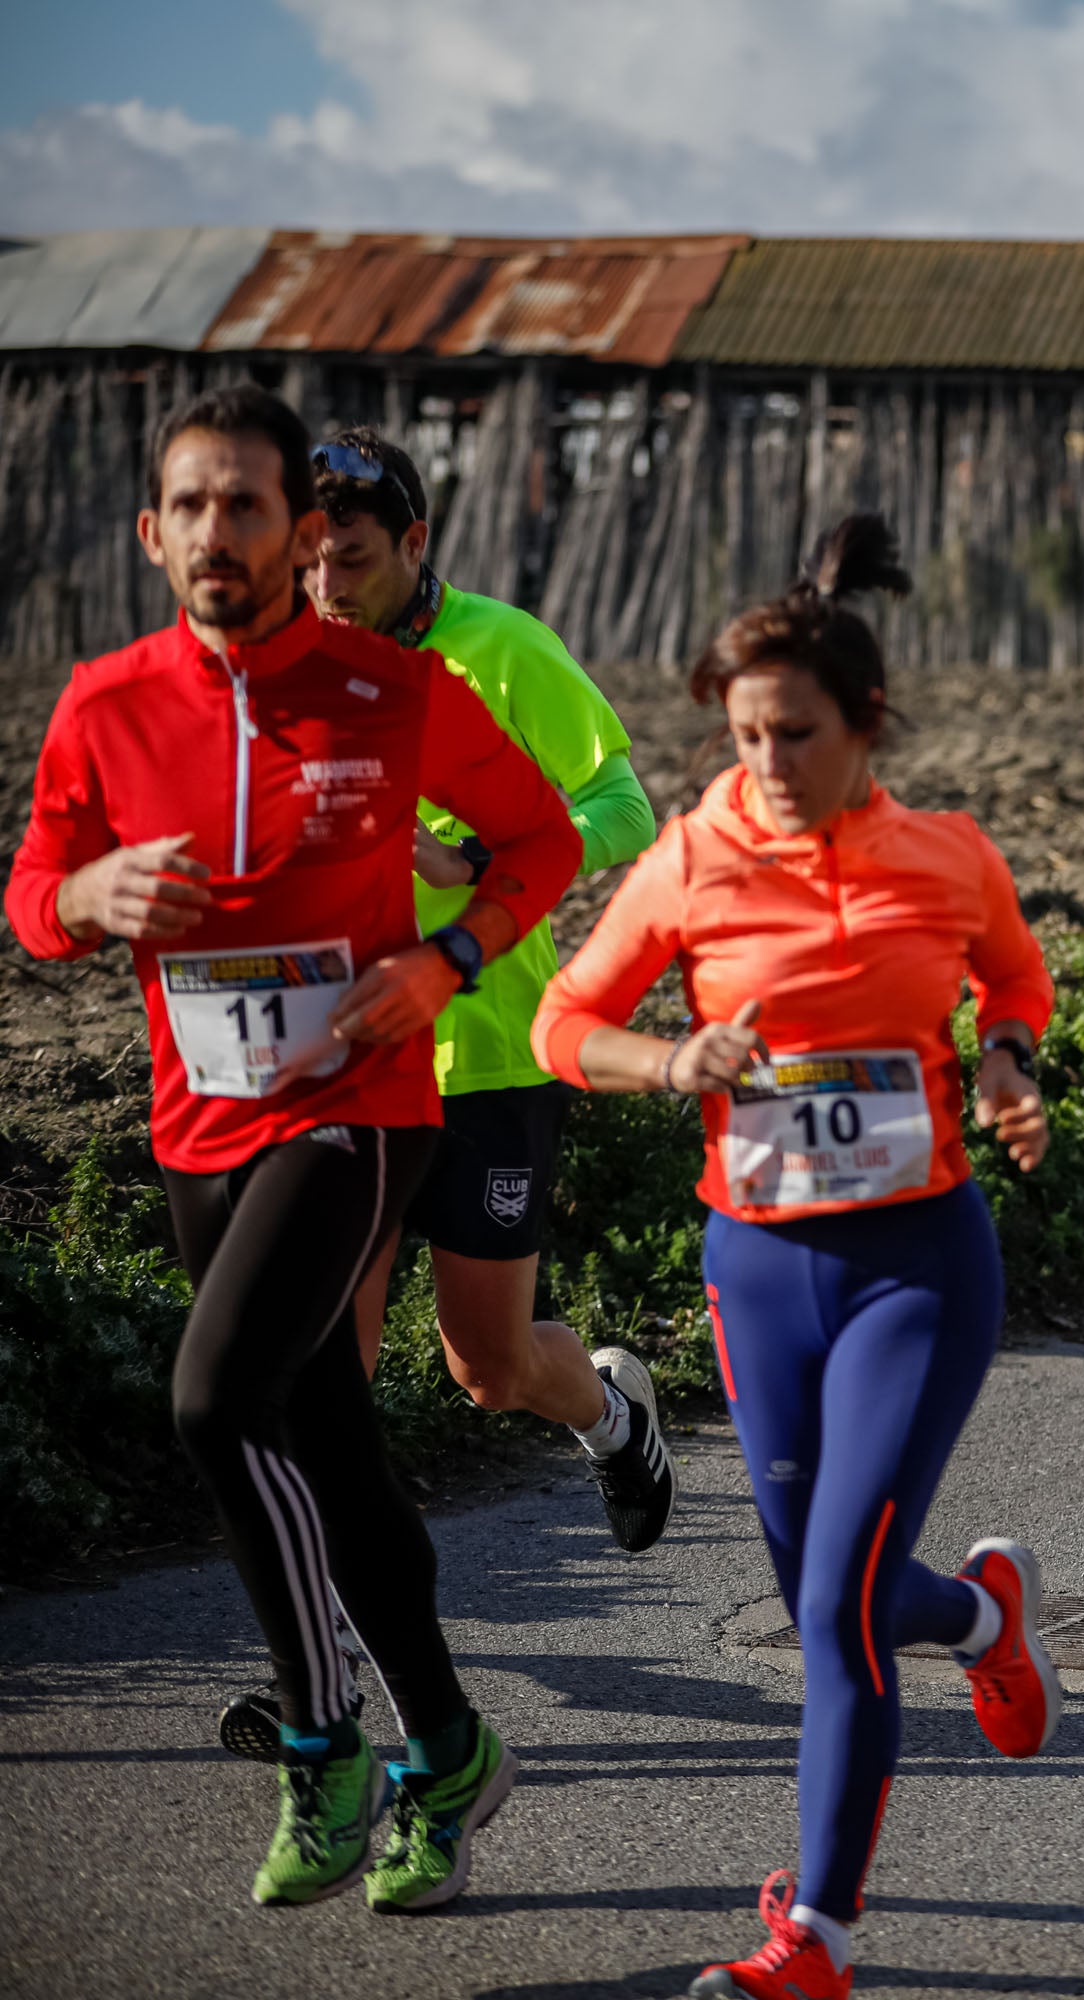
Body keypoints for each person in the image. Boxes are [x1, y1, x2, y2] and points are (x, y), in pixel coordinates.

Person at [6, 386, 583, 1908]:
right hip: (205, 1121)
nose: (218, 531)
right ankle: (450, 1746)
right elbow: (32, 891)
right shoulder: (106, 703)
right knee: (331, 1447)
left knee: (212, 1395)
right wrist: (89, 900)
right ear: (152, 531)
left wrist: (444, 966)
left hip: (362, 1107)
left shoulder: (388, 693)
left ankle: (324, 1741)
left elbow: (545, 842)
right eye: (189, 505)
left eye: (246, 505)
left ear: (302, 530)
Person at [533, 517, 1064, 2000]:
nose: (765, 763)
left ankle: (814, 1937)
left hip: (917, 1263)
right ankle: (981, 1616)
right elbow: (560, 1024)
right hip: (760, 1271)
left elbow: (1011, 977)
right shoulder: (690, 861)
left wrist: (1010, 1064)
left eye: (795, 734)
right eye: (745, 734)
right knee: (839, 1590)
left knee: (834, 1605)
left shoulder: (946, 856)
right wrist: (668, 1057)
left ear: (865, 727)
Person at [303, 432, 671, 1529]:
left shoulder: (501, 650)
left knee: (489, 1366)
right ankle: (318, 1646)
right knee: (332, 1359)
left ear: (414, 543)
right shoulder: (290, 673)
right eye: (310, 560)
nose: (328, 585)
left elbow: (623, 807)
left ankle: (614, 1417)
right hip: (350, 1057)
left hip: (492, 1051)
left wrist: (476, 857)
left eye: (354, 557)